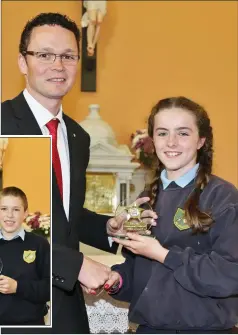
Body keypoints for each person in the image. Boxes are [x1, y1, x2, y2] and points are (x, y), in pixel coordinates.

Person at [1, 12, 156, 334]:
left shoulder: (77, 136)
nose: (58, 66)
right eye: (44, 54)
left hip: (65, 302)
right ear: (22, 61)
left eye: (68, 56)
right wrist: (76, 265)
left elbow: (66, 217)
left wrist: (110, 227)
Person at [104, 96, 238, 333]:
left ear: (201, 141)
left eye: (183, 133)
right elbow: (139, 271)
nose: (171, 142)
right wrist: (117, 280)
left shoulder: (222, 196)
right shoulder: (146, 198)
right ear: (152, 140)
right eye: (163, 133)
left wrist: (163, 255)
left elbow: (229, 275)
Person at [0, 186, 50, 326]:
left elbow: (49, 288)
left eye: (16, 209)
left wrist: (17, 287)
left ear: (25, 213)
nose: (9, 215)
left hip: (29, 324)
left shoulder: (39, 244)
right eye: (4, 209)